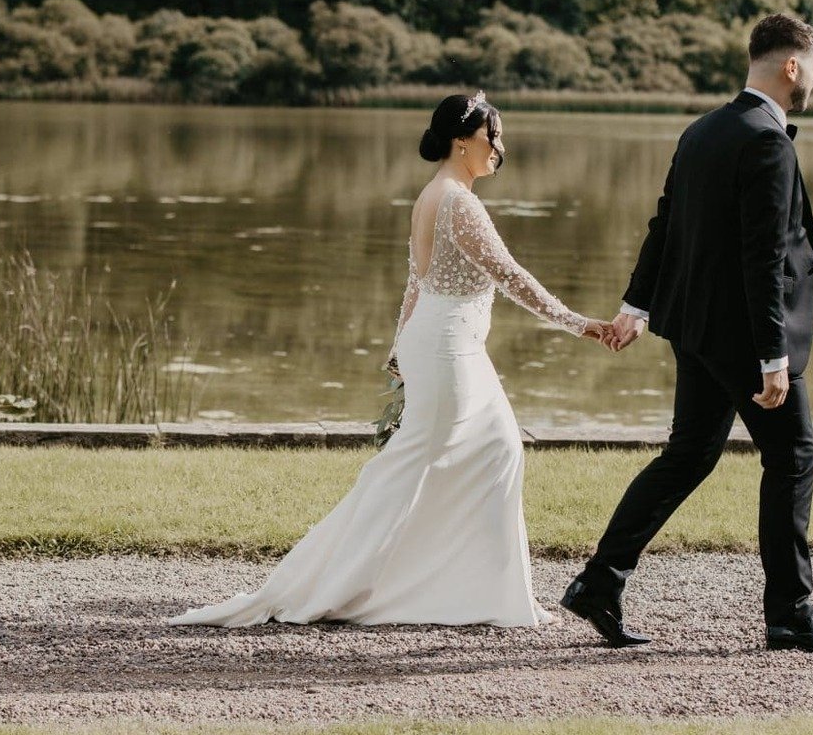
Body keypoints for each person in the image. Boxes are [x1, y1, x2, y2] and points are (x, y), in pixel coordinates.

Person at [168, 91, 611, 628]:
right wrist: (581, 324)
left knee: (497, 450)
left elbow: (414, 284)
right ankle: (329, 586)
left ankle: (487, 592)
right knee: (411, 466)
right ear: (462, 140)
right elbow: (511, 276)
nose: (500, 147)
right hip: (449, 350)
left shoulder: (432, 195)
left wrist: (399, 347)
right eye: (493, 136)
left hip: (444, 344)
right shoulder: (457, 202)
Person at [562, 13, 813, 655]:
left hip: (695, 329)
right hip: (743, 336)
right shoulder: (768, 141)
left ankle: (599, 582)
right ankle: (789, 612)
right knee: (792, 457)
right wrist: (772, 354)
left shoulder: (703, 129)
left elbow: (664, 226)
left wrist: (638, 306)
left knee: (689, 454)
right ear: (792, 66)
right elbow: (761, 255)